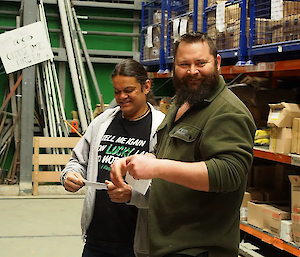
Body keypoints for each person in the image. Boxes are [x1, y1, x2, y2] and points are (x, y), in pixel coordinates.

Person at [110, 32, 256, 257]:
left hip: (200, 248)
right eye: (183, 64)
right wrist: (133, 163)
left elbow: (230, 173)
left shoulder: (227, 111)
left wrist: (157, 168)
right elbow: (164, 152)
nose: (192, 71)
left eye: (201, 63)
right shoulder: (182, 101)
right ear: (174, 66)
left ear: (217, 63)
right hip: (169, 244)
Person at [60, 59, 165, 257]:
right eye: (117, 91)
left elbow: (168, 189)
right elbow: (77, 161)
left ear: (146, 86)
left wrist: (131, 195)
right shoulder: (102, 122)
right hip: (96, 239)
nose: (121, 97)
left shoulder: (161, 128)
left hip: (138, 244)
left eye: (128, 90)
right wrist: (70, 175)